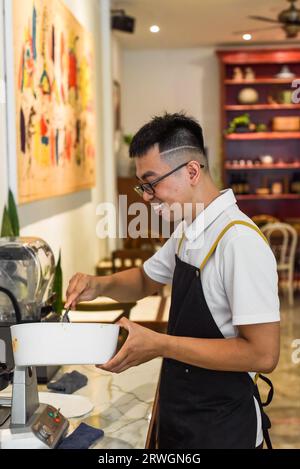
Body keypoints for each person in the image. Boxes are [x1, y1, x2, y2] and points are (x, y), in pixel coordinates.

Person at [65, 113, 280, 449]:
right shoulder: (189, 230)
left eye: (151, 183)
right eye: (142, 186)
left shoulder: (239, 241)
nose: (146, 197)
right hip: (182, 412)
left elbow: (263, 354)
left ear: (192, 171)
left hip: (222, 427)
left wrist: (161, 344)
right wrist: (98, 285)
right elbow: (143, 279)